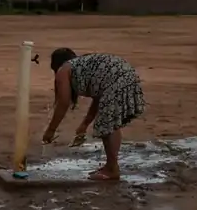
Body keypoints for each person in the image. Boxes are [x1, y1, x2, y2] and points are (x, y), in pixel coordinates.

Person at [42, 48, 146, 181]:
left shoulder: (64, 70)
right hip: (127, 75)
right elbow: (98, 99)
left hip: (117, 79)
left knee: (107, 125)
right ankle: (111, 166)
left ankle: (112, 169)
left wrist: (51, 130)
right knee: (111, 123)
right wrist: (85, 124)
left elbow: (63, 102)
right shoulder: (84, 65)